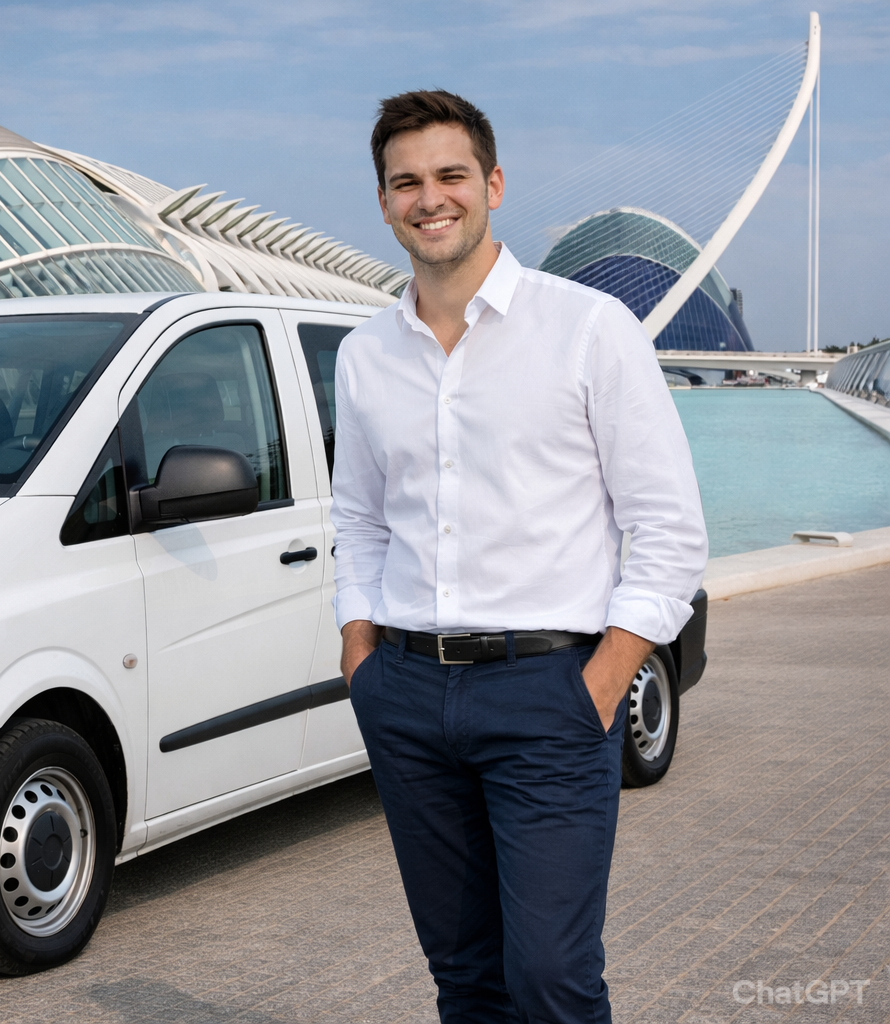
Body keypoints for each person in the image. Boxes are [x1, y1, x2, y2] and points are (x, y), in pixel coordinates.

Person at [332, 90, 707, 1023]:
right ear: (383, 202)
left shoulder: (589, 328)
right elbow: (361, 519)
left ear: (492, 185)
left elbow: (668, 528)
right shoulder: (365, 355)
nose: (430, 198)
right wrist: (360, 653)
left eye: (450, 175)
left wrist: (605, 677)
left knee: (551, 980)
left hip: (549, 695)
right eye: (406, 183)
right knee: (465, 978)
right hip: (407, 694)